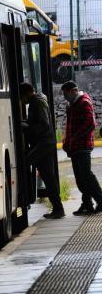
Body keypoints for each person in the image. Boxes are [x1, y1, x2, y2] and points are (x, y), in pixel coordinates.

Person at [20, 82, 65, 219]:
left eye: (22, 97)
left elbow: (43, 124)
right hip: (45, 144)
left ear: (27, 93)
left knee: (24, 163)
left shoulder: (37, 103)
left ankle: (57, 209)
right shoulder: (38, 100)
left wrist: (26, 127)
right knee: (48, 177)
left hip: (43, 144)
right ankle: (58, 208)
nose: (22, 101)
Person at [61, 80, 102, 215]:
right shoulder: (72, 104)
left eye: (66, 94)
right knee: (81, 178)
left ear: (74, 91)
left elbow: (91, 123)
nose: (65, 97)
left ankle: (99, 201)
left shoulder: (84, 102)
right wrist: (68, 141)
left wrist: (75, 137)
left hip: (83, 145)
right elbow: (70, 126)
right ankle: (87, 204)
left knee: (86, 176)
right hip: (75, 146)